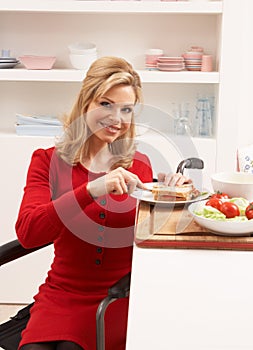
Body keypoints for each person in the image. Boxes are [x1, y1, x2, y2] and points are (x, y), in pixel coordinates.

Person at [15, 56, 190, 350]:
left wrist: (176, 196)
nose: (117, 119)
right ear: (86, 103)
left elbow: (157, 235)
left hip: (116, 297)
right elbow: (29, 233)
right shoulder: (46, 162)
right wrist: (91, 189)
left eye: (126, 110)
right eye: (105, 104)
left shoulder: (139, 166)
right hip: (61, 295)